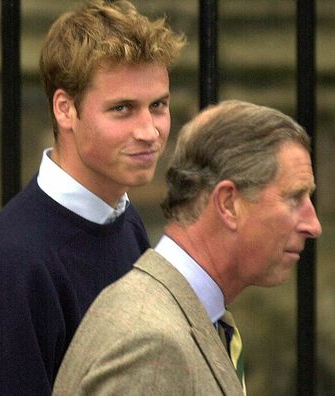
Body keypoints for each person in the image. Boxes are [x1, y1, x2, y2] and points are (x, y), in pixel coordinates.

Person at [0, 1, 186, 394]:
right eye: (122, 109)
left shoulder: (123, 222)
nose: (150, 131)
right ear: (65, 109)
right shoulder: (11, 270)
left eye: (158, 105)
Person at [52, 100, 322, 396]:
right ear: (228, 203)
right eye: (295, 198)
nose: (313, 225)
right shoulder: (152, 344)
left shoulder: (185, 318)